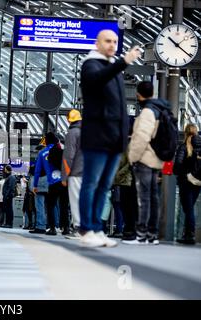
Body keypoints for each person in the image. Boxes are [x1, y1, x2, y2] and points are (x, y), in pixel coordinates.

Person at [78, 29, 141, 247]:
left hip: (115, 138)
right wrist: (123, 62)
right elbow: (96, 81)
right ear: (97, 43)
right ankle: (86, 228)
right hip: (97, 136)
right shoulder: (91, 64)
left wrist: (124, 138)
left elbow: (120, 107)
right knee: (91, 184)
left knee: (104, 186)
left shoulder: (113, 68)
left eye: (115, 41)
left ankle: (97, 228)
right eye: (108, 41)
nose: (112, 45)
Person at [127, 81, 172, 245]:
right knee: (153, 198)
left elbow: (141, 137)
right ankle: (152, 235)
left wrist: (132, 157)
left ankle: (142, 234)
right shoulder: (160, 109)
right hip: (156, 160)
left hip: (145, 159)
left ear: (138, 94)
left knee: (143, 198)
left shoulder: (147, 111)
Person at [32, 131, 68, 235]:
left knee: (50, 205)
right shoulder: (61, 149)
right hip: (64, 181)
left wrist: (35, 185)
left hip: (53, 182)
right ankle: (65, 228)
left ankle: (52, 228)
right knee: (64, 205)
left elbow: (37, 171)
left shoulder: (42, 153)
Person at [174, 124, 201, 244]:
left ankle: (190, 235)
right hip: (198, 182)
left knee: (188, 209)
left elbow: (177, 166)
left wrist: (186, 174)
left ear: (185, 133)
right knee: (189, 209)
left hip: (186, 182)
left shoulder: (184, 147)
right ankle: (187, 234)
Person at [62, 109, 83, 239]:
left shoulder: (72, 133)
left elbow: (69, 157)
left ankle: (79, 228)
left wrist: (65, 176)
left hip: (76, 172)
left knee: (75, 200)